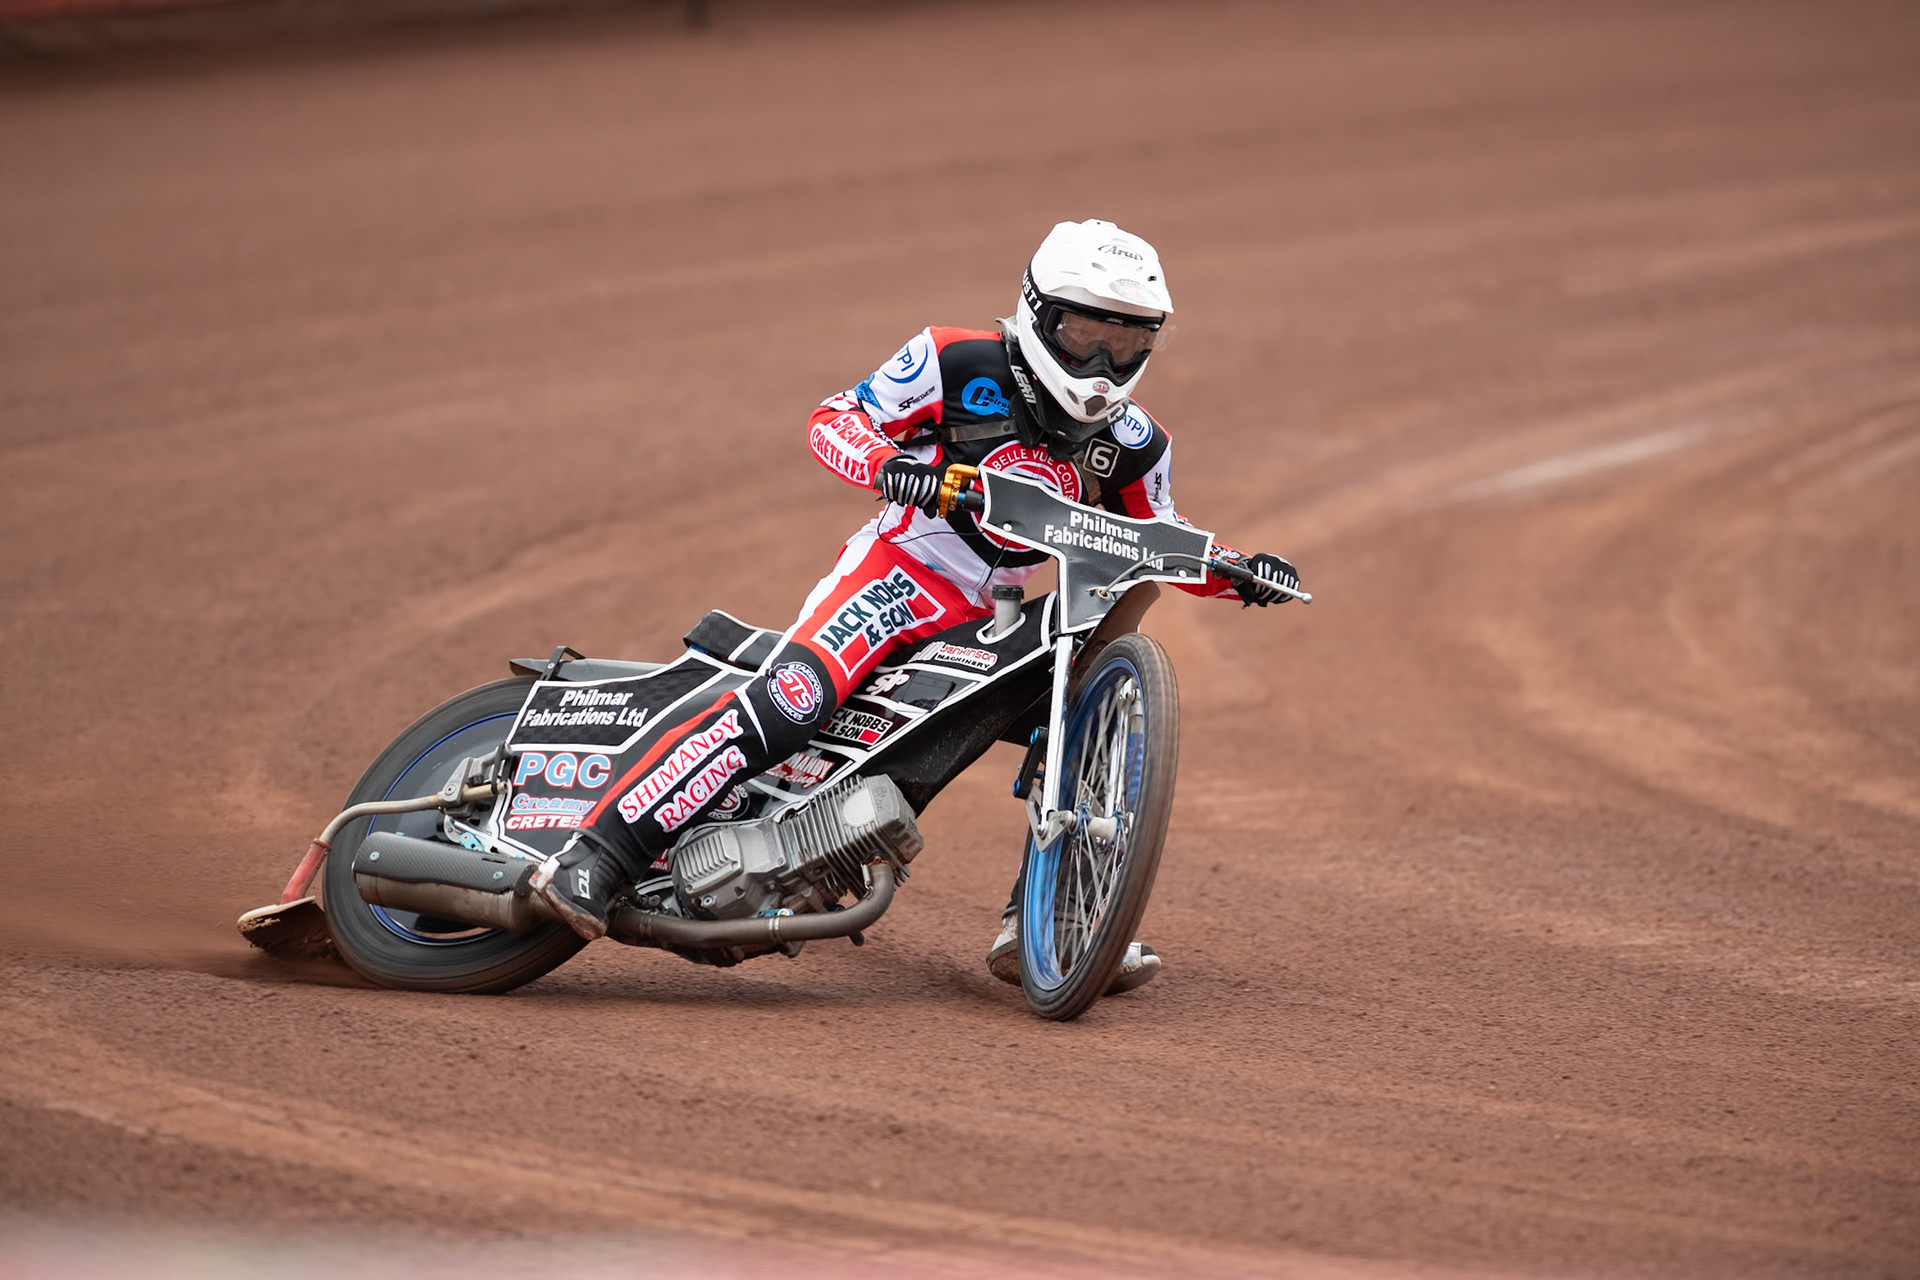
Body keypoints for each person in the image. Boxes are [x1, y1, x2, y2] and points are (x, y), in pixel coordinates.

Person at [530, 219, 1299, 994]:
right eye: (1083, 332)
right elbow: (835, 418)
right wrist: (891, 465)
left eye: (1127, 342)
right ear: (1037, 313)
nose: (1102, 361)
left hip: (991, 615)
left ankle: (1051, 921)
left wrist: (1237, 571)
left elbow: (1160, 538)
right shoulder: (953, 357)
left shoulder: (1138, 445)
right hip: (896, 573)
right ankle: (598, 855)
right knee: (795, 701)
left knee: (1095, 715)